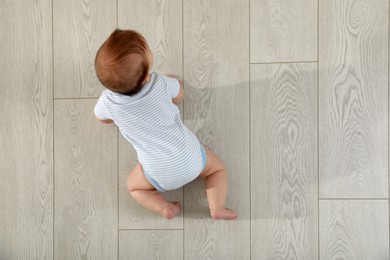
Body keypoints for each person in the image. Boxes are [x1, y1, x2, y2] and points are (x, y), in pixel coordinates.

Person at [94, 29, 236, 220]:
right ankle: (217, 206)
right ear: (145, 77)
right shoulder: (159, 82)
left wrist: (116, 115)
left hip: (158, 173)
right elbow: (179, 96)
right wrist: (171, 84)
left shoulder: (108, 103)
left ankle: (165, 208)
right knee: (217, 169)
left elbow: (101, 118)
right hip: (192, 157)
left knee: (134, 187)